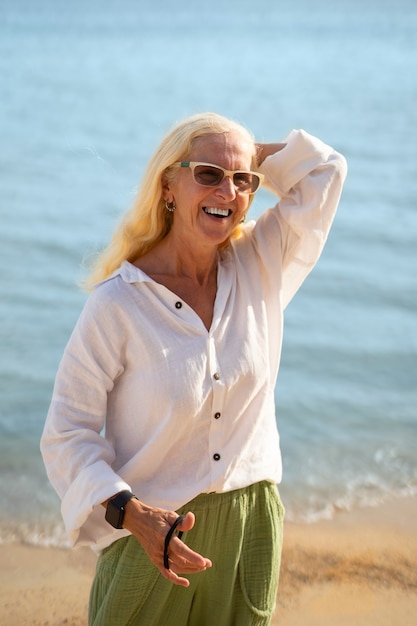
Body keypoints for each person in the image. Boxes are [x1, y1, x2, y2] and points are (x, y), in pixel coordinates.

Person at [41, 112, 347, 626]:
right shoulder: (118, 303)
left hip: (251, 528)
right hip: (153, 535)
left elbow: (325, 170)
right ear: (168, 186)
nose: (226, 190)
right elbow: (66, 432)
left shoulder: (261, 265)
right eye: (207, 173)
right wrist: (132, 515)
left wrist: (246, 155)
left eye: (241, 181)